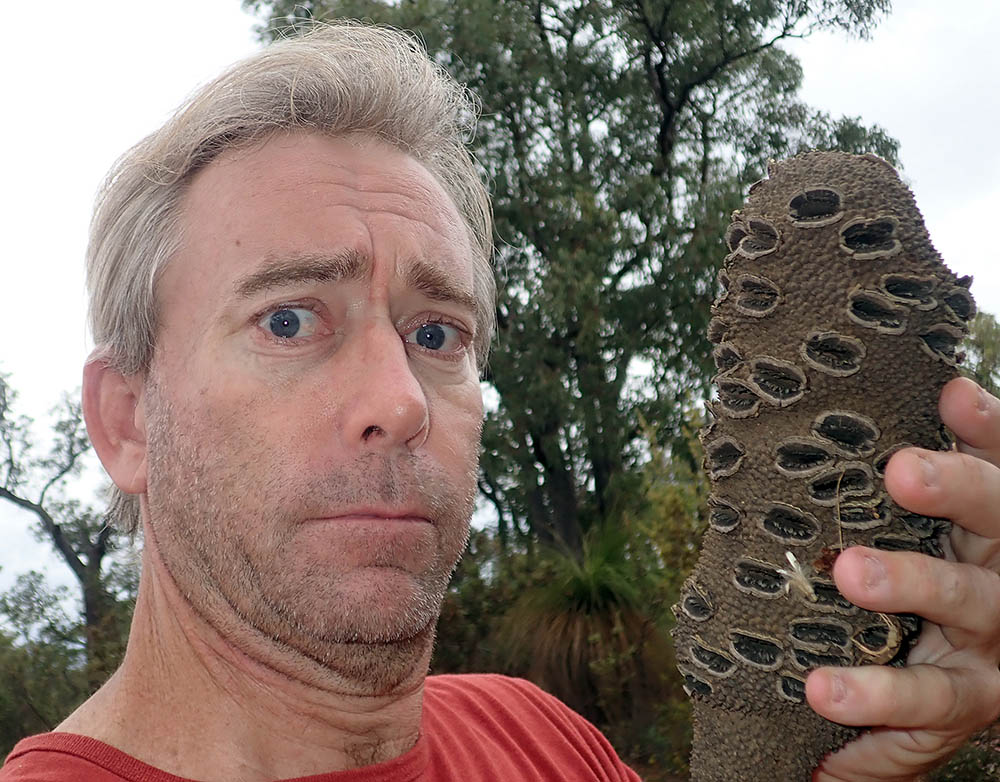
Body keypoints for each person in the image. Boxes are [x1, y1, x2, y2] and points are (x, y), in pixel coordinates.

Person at [1, 21, 998, 782]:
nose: (399, 401)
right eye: (291, 320)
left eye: (437, 334)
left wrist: (824, 751)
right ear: (128, 420)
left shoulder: (543, 738)